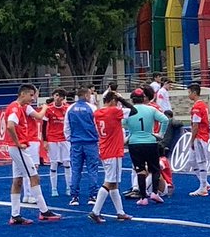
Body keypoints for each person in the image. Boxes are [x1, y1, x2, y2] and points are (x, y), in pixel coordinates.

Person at [2, 84, 61, 225]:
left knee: (17, 180)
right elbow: (10, 125)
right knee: (34, 176)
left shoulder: (18, 107)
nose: (32, 98)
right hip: (19, 148)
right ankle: (44, 211)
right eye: (31, 95)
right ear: (23, 94)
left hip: (17, 147)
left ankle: (15, 214)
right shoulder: (16, 108)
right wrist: (17, 143)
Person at [87, 91, 135, 223]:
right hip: (113, 150)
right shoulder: (114, 111)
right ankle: (95, 211)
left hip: (104, 148)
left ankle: (120, 212)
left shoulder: (97, 113)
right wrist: (122, 100)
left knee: (114, 183)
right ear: (113, 100)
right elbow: (133, 111)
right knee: (109, 182)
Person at [123, 89, 169, 206]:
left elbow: (121, 123)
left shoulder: (128, 112)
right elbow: (165, 119)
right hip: (150, 142)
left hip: (134, 143)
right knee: (155, 169)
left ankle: (143, 197)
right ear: (143, 98)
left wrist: (130, 134)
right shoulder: (151, 109)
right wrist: (160, 134)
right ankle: (154, 192)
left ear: (132, 100)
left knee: (140, 170)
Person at [66, 86, 101, 207]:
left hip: (76, 143)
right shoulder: (92, 108)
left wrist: (71, 139)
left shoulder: (70, 108)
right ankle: (92, 195)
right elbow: (97, 125)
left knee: (76, 170)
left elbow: (66, 127)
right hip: (90, 142)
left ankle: (74, 196)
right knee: (92, 169)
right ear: (86, 95)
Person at [185, 84, 210, 196]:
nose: (188, 95)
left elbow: (196, 125)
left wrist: (192, 139)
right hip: (201, 135)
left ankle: (203, 188)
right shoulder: (203, 105)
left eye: (189, 92)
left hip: (200, 137)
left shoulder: (197, 107)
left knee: (201, 162)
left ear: (194, 93)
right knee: (191, 161)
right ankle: (205, 183)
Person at [44, 89, 72, 198]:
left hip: (64, 139)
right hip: (52, 139)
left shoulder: (67, 108)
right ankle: (54, 188)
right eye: (56, 95)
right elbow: (44, 125)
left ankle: (69, 187)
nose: (58, 98)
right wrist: (45, 140)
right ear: (53, 96)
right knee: (54, 163)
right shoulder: (49, 108)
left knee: (67, 163)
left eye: (60, 96)